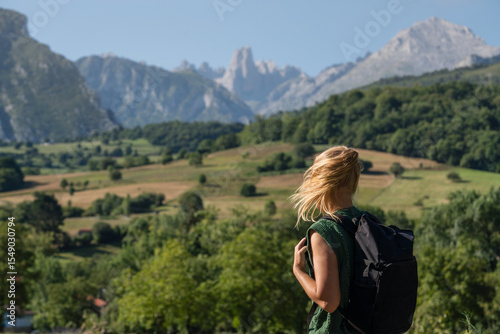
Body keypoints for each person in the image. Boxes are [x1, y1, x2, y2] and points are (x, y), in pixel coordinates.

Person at [289, 145, 363, 334]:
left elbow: (328, 302)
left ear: (321, 181)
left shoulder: (324, 232)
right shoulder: (367, 223)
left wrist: (299, 271)